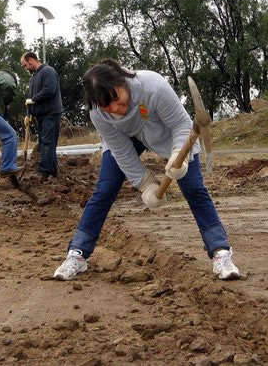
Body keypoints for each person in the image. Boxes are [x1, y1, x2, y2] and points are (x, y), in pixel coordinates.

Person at [53, 59, 240, 282]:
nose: (115, 109)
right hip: (126, 140)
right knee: (105, 190)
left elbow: (181, 125)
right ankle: (78, 253)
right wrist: (145, 184)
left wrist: (178, 155)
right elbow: (121, 149)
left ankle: (221, 252)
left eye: (116, 99)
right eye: (106, 106)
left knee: (193, 188)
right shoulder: (97, 113)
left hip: (168, 134)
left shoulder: (153, 87)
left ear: (122, 82)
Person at [20, 52, 62, 180]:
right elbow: (31, 99)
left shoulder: (48, 71)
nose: (25, 68)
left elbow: (50, 90)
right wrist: (29, 114)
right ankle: (49, 170)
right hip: (41, 115)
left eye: (25, 65)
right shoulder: (33, 78)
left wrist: (33, 100)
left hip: (51, 112)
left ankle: (47, 172)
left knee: (48, 142)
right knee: (43, 142)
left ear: (31, 60)